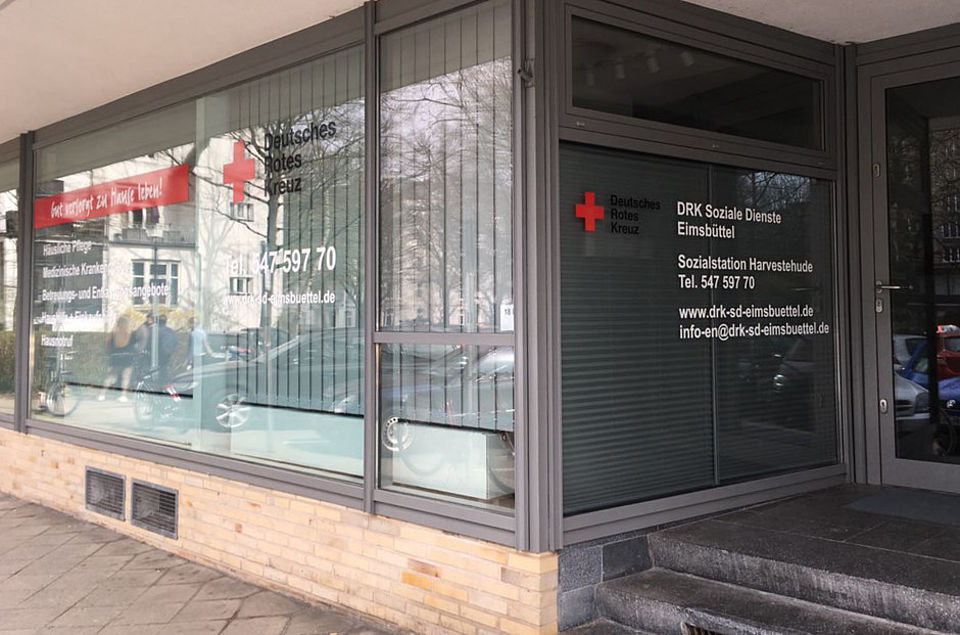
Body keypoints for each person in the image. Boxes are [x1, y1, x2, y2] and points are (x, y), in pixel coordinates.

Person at [99, 316, 136, 401]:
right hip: (127, 358)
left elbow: (108, 346)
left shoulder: (113, 334)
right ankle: (123, 395)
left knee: (109, 377)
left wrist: (109, 352)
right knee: (126, 377)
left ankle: (102, 394)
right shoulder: (130, 334)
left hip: (115, 357)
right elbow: (133, 346)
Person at [156, 315, 178, 381]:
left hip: (160, 352)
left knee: (159, 367)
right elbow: (175, 341)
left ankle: (160, 381)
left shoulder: (157, 330)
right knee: (164, 367)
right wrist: (172, 350)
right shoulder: (170, 330)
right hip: (168, 351)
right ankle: (164, 379)